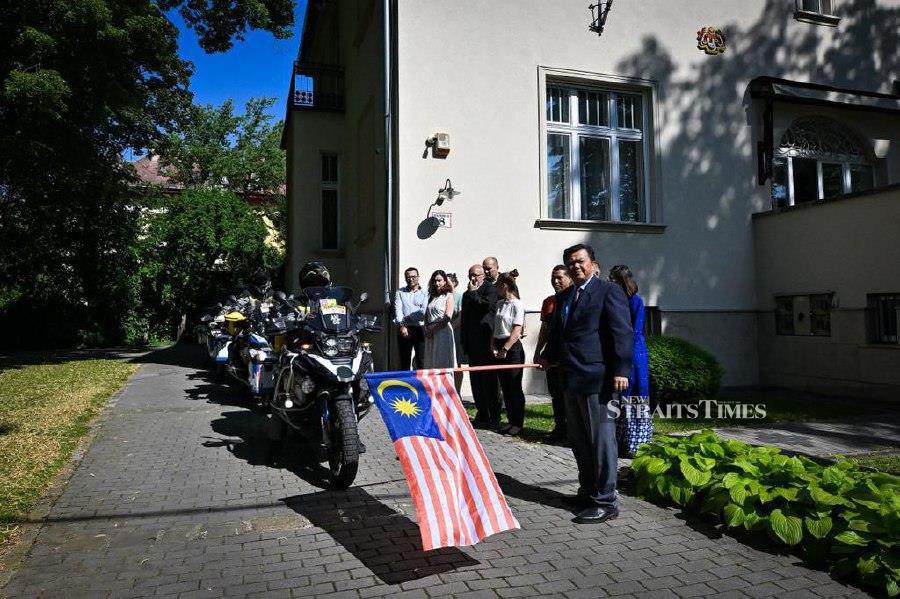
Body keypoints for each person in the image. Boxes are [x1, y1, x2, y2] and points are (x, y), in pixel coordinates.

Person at [541, 243, 632, 524]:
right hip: (571, 377)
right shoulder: (566, 295)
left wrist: (621, 368)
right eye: (571, 263)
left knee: (601, 441)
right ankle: (588, 491)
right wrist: (548, 355)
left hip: (599, 379)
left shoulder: (608, 291)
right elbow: (560, 332)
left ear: (593, 262)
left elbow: (621, 332)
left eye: (580, 261)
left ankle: (606, 501)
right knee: (579, 441)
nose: (575, 266)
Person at [608, 265, 652, 457]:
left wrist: (623, 351)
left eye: (613, 279)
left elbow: (635, 330)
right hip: (622, 349)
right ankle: (621, 440)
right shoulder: (616, 300)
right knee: (620, 398)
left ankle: (636, 443)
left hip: (634, 352)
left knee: (636, 393)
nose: (610, 282)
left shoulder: (635, 301)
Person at [532, 265, 572, 443]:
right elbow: (544, 329)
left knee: (568, 396)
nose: (555, 281)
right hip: (552, 354)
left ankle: (571, 431)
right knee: (556, 394)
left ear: (569, 278)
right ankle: (559, 428)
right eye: (553, 278)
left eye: (559, 278)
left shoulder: (574, 298)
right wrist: (538, 351)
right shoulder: (549, 301)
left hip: (568, 357)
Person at [461, 263, 501, 428]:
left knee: (489, 380)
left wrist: (475, 293)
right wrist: (464, 341)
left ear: (483, 275)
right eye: (470, 275)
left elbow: (487, 306)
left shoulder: (490, 289)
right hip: (472, 343)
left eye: (475, 275)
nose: (472, 278)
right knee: (476, 380)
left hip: (486, 341)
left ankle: (493, 415)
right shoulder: (466, 294)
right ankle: (482, 412)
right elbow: (465, 319)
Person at [492, 270, 526, 436]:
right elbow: (495, 327)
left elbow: (516, 329)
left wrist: (505, 348)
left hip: (512, 348)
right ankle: (511, 420)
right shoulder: (500, 304)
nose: (496, 288)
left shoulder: (517, 304)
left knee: (514, 386)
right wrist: (494, 345)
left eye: (498, 284)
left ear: (504, 285)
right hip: (498, 344)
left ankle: (518, 422)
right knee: (504, 385)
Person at [394, 267, 428, 370]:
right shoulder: (400, 292)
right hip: (404, 328)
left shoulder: (425, 292)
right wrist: (402, 325)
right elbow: (398, 310)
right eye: (408, 277)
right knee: (404, 360)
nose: (411, 279)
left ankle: (420, 384)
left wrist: (407, 317)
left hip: (420, 329)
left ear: (418, 277)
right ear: (405, 278)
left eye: (413, 277)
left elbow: (423, 312)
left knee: (421, 360)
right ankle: (405, 385)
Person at [423, 270, 456, 368]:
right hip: (430, 330)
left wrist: (434, 330)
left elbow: (448, 316)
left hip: (442, 330)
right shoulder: (431, 297)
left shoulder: (448, 296)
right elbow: (426, 315)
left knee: (441, 359)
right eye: (434, 281)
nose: (437, 283)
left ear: (445, 281)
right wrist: (426, 328)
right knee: (430, 360)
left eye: (439, 280)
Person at [447, 273, 465, 393]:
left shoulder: (458, 297)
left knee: (456, 364)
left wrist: (451, 328)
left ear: (454, 283)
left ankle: (457, 392)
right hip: (442, 334)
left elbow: (460, 316)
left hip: (455, 333)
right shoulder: (440, 297)